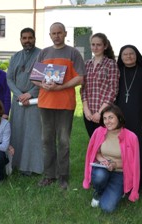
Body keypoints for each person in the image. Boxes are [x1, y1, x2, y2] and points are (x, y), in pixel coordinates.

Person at [32, 22, 85, 190]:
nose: (56, 36)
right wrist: (43, 85)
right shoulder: (44, 53)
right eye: (53, 33)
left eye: (59, 33)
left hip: (65, 104)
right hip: (46, 103)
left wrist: (61, 87)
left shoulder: (73, 53)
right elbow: (34, 77)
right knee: (47, 140)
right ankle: (49, 175)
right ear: (50, 35)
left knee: (63, 141)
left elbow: (80, 78)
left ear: (65, 33)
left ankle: (63, 177)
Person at [116, 45, 142, 191]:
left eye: (131, 54)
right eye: (125, 54)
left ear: (137, 55)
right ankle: (122, 180)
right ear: (120, 57)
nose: (128, 56)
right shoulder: (117, 72)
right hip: (120, 119)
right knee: (121, 149)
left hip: (141, 119)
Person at [83, 104, 140, 213]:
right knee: (100, 176)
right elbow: (95, 152)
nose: (107, 121)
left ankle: (114, 188)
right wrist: (101, 160)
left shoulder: (132, 137)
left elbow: (133, 164)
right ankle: (98, 192)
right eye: (104, 118)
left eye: (111, 117)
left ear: (119, 118)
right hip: (102, 168)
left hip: (120, 172)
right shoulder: (99, 132)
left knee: (107, 208)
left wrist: (114, 165)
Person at [6, 27, 43, 176]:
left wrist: (29, 94)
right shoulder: (15, 57)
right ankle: (17, 163)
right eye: (24, 38)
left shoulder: (41, 55)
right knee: (17, 131)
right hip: (18, 101)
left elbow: (42, 79)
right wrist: (19, 94)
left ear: (34, 38)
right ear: (20, 39)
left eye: (30, 38)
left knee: (33, 134)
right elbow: (9, 78)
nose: (27, 41)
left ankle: (33, 166)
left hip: (35, 100)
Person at [81, 33, 120, 137]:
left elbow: (112, 90)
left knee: (105, 143)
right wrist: (86, 109)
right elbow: (83, 88)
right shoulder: (87, 64)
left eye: (98, 44)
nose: (95, 47)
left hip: (105, 113)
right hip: (89, 113)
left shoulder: (111, 64)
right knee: (93, 142)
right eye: (93, 44)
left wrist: (100, 112)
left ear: (105, 46)